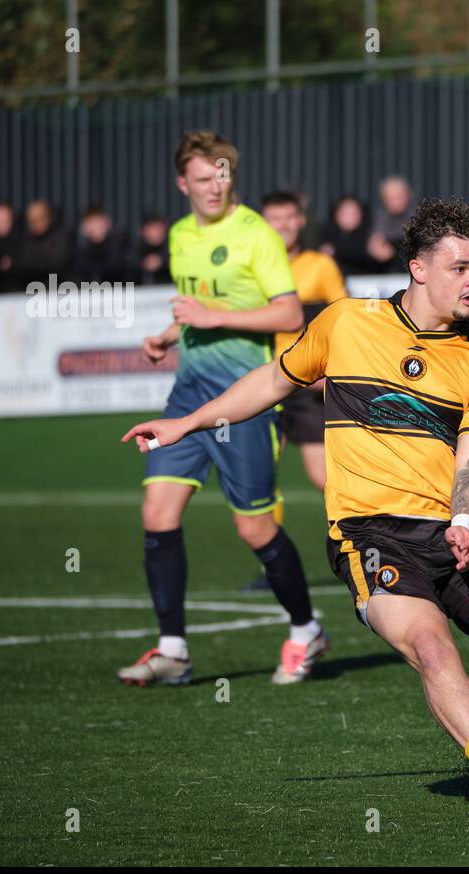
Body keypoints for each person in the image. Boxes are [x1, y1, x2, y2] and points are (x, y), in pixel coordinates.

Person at [122, 197, 469, 812]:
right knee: (433, 648)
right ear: (418, 268)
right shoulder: (345, 323)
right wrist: (189, 423)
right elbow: (275, 380)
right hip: (371, 535)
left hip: (452, 532)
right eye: (461, 268)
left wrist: (464, 519)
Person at [115, 130, 327, 688]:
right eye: (203, 179)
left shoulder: (256, 234)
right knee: (157, 513)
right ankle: (173, 651)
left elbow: (287, 316)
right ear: (181, 182)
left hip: (245, 399)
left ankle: (306, 630)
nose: (214, 188)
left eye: (223, 177)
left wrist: (211, 318)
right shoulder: (182, 234)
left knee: (255, 531)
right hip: (186, 394)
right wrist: (170, 333)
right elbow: (200, 307)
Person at [261, 190, 348, 492]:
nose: (282, 225)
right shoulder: (252, 269)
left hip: (308, 384)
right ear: (263, 222)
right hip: (264, 380)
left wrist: (329, 369)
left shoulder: (320, 265)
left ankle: (357, 538)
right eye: (274, 218)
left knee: (326, 480)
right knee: (258, 477)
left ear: (300, 220)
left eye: (288, 217)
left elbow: (344, 320)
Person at [69, 204, 130, 283]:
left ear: (108, 223)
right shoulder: (75, 243)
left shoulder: (119, 241)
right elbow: (75, 270)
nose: (95, 226)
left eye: (98, 221)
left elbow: (117, 268)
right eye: (91, 222)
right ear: (83, 225)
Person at [320, 195, 378, 276]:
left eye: (354, 213)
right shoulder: (326, 233)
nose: (350, 217)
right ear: (335, 215)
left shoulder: (370, 232)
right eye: (345, 213)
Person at [369, 175, 415, 274]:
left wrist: (394, 251)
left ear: (408, 195)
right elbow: (376, 242)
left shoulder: (418, 215)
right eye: (390, 198)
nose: (395, 202)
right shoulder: (379, 217)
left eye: (399, 197)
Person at [132, 213, 171, 285]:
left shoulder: (173, 248)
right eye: (151, 228)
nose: (155, 232)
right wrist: (142, 264)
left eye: (158, 228)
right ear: (143, 231)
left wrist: (162, 262)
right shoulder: (135, 249)